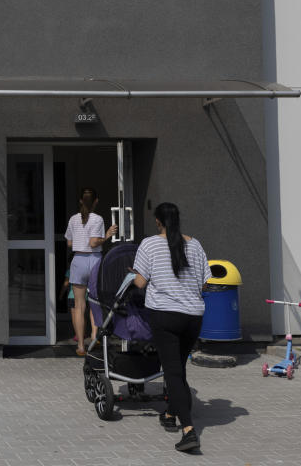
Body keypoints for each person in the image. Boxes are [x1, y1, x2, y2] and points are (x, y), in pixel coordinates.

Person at [131, 203, 211, 453]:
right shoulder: (195, 245)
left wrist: (133, 274)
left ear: (158, 222)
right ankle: (169, 413)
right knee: (178, 369)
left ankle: (188, 431)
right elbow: (206, 284)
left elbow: (140, 282)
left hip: (165, 315)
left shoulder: (150, 244)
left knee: (173, 372)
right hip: (193, 317)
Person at [65, 188, 117, 356]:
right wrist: (107, 235)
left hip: (78, 260)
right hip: (94, 260)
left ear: (81, 201)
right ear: (96, 201)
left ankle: (80, 345)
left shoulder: (73, 219)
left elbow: (69, 244)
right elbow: (94, 243)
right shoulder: (98, 219)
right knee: (95, 302)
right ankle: (94, 337)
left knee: (79, 306)